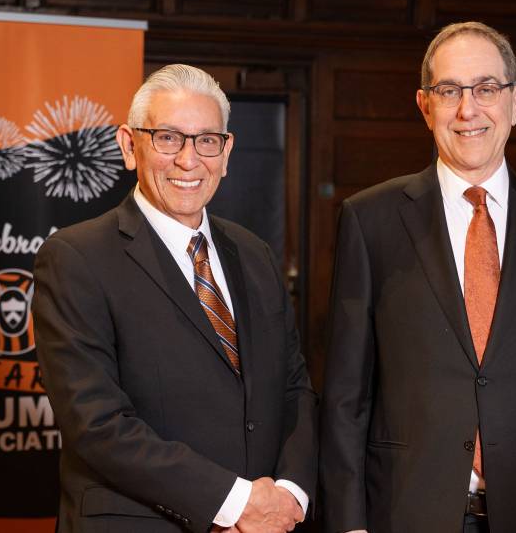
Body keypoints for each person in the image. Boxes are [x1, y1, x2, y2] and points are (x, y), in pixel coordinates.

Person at [319, 21, 516, 533]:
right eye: (449, 90)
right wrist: (347, 523)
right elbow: (346, 393)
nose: (467, 109)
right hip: (404, 512)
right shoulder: (372, 220)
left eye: (486, 89)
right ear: (425, 105)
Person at [33, 64, 317, 533]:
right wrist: (237, 503)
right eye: (167, 138)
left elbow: (294, 387)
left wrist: (290, 494)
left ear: (226, 153)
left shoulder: (254, 253)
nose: (189, 160)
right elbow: (97, 425)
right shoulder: (75, 259)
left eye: (207, 140)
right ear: (129, 145)